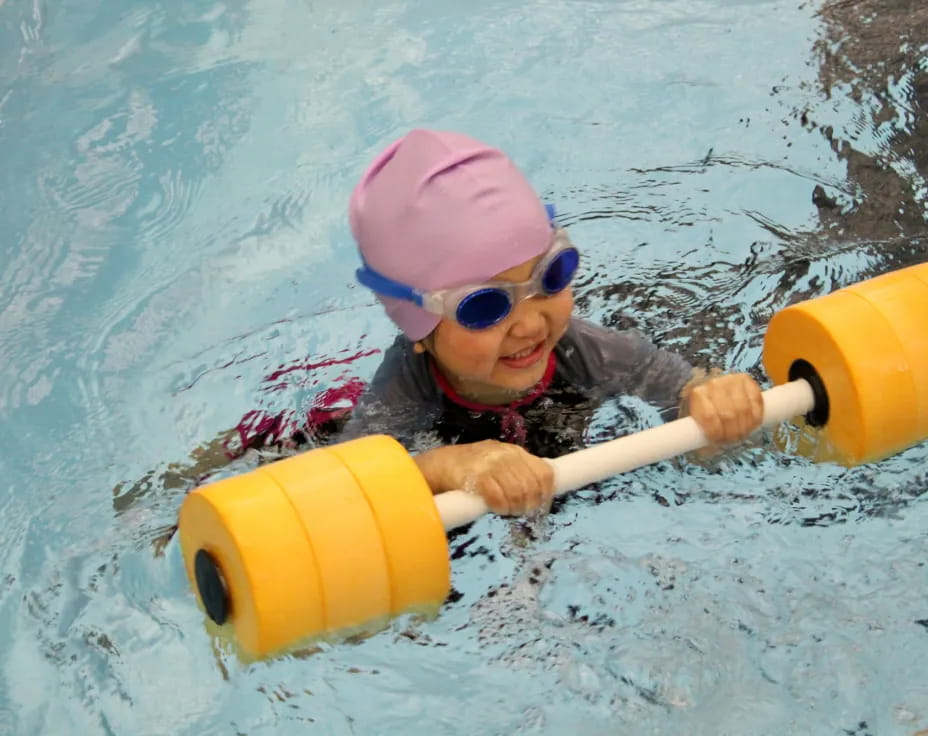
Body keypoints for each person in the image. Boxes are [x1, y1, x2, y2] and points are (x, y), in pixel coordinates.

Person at [342, 128, 764, 518]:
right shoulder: (403, 387)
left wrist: (715, 402)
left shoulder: (592, 351)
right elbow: (348, 493)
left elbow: (691, 398)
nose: (529, 325)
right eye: (484, 306)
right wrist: (438, 467)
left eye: (551, 275)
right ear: (418, 330)